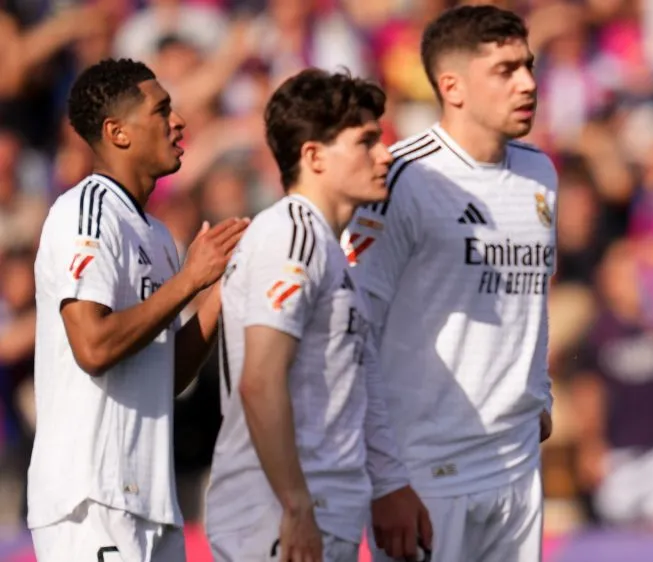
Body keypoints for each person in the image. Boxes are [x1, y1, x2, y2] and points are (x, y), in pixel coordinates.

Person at [343, 5, 556, 562]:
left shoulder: (540, 172)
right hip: (428, 469)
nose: (528, 83)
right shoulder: (402, 179)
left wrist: (541, 392)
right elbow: (355, 328)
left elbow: (528, 299)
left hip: (518, 464)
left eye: (528, 65)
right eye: (506, 70)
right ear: (452, 86)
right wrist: (386, 477)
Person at [205, 67, 430, 562]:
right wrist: (295, 503)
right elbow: (259, 380)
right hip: (281, 518)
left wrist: (389, 482)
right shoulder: (293, 234)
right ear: (313, 156)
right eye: (366, 141)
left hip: (322, 511)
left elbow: (354, 383)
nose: (385, 154)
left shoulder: (328, 249)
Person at [28, 58, 247, 562]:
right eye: (162, 110)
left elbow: (166, 376)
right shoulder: (84, 212)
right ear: (117, 132)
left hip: (150, 500)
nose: (179, 122)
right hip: (91, 500)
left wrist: (218, 288)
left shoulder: (157, 236)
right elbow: (93, 345)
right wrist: (190, 279)